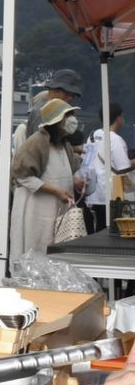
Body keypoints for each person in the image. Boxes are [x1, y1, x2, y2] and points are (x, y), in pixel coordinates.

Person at [10, 99, 82, 263]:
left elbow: (63, 170)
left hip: (59, 209)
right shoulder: (36, 142)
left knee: (57, 253)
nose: (73, 119)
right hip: (37, 209)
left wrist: (74, 180)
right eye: (68, 115)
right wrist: (55, 191)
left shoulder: (64, 145)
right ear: (57, 121)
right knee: (37, 248)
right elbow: (22, 176)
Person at [85, 103, 135, 232]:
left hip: (94, 193)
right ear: (118, 118)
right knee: (109, 230)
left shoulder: (92, 135)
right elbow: (123, 168)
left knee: (100, 226)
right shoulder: (116, 140)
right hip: (111, 193)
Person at [24, 69, 83, 138]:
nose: (70, 98)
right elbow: (41, 145)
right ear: (54, 89)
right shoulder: (42, 112)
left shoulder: (59, 110)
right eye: (67, 93)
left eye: (73, 95)